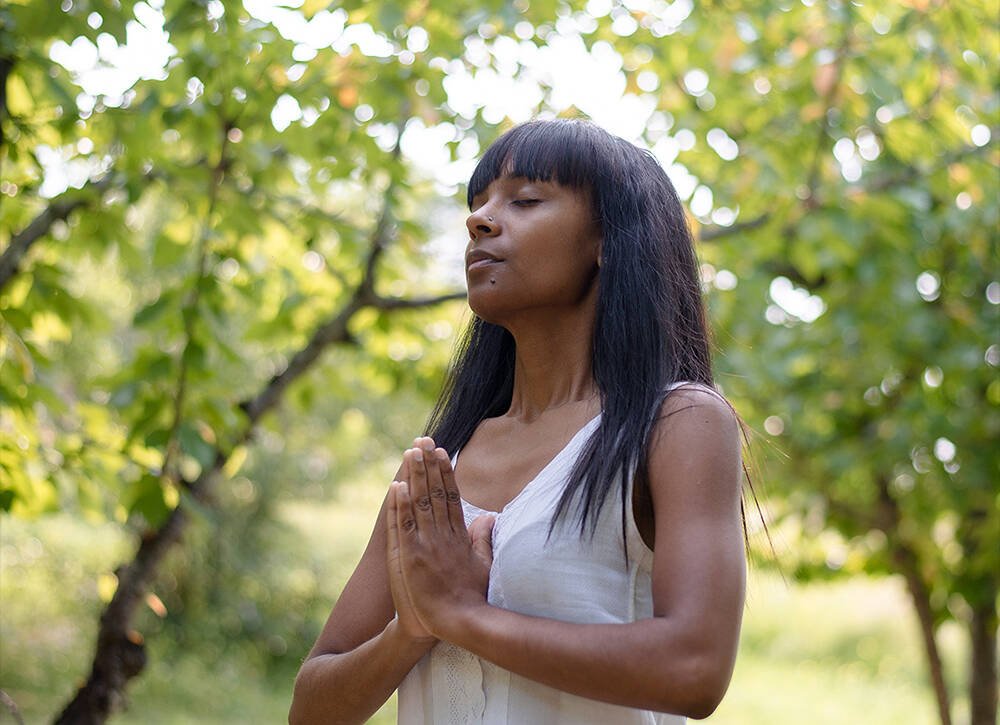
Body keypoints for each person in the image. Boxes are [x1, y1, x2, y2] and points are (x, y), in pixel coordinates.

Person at [289, 119, 746, 724]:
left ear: (608, 239)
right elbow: (312, 709)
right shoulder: (443, 461)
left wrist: (465, 617)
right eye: (477, 204)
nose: (479, 220)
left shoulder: (676, 423)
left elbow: (695, 670)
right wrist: (414, 629)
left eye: (525, 200)